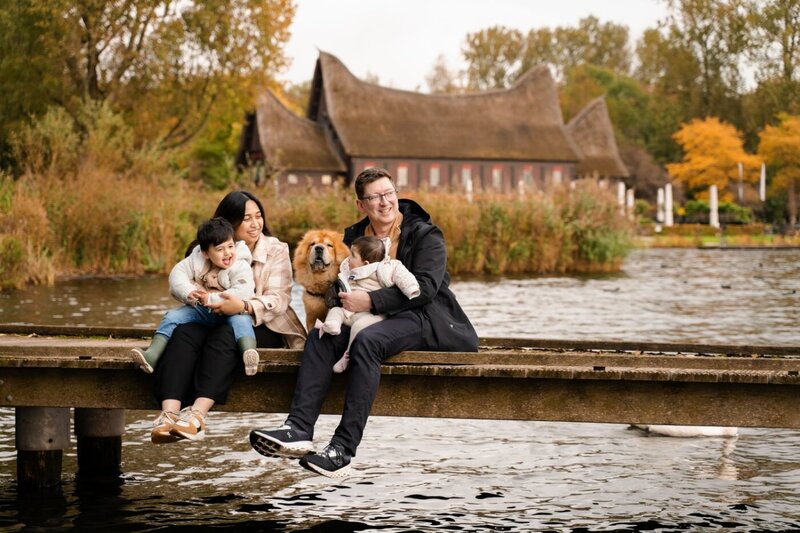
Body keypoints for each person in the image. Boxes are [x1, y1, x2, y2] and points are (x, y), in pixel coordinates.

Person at [249, 167, 479, 478]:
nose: (385, 203)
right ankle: (298, 428)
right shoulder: (352, 238)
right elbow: (336, 283)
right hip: (364, 316)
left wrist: (371, 301)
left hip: (420, 317)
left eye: (389, 194)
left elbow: (425, 289)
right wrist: (338, 300)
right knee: (321, 335)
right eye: (374, 198)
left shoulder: (425, 234)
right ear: (361, 204)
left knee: (369, 341)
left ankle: (342, 448)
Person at [148, 191, 307, 444]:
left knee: (226, 335)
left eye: (259, 216)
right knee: (183, 333)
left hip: (263, 322)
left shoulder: (276, 249)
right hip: (213, 317)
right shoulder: (207, 249)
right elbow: (183, 286)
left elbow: (279, 301)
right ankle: (169, 413)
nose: (256, 224)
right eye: (247, 219)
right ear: (229, 223)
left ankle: (197, 417)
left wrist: (242, 305)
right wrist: (199, 297)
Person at [132, 217, 260, 377]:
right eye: (220, 249)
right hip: (202, 311)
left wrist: (212, 299)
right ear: (206, 253)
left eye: (230, 246)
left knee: (242, 321)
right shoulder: (195, 259)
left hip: (231, 311)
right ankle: (152, 355)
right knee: (173, 316)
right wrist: (188, 292)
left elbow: (244, 290)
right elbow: (176, 275)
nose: (228, 253)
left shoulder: (240, 264)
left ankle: (249, 354)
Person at [316, 235, 420, 373]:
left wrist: (412, 289)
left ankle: (346, 356)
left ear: (365, 263)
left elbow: (403, 277)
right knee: (335, 311)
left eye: (353, 255)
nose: (348, 258)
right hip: (349, 310)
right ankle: (332, 325)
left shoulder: (386, 268)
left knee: (359, 328)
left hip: (371, 315)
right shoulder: (349, 269)